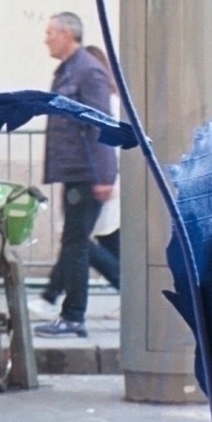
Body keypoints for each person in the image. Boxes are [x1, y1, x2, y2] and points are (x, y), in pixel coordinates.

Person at [34, 10, 119, 340]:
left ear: (67, 34)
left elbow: (100, 125)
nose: (46, 39)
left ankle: (73, 316)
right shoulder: (71, 70)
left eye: (50, 32)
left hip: (87, 173)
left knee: (77, 245)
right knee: (75, 243)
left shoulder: (88, 72)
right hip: (76, 172)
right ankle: (71, 315)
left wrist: (104, 176)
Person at [84, 42, 121, 290]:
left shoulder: (104, 101)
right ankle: (132, 292)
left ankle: (128, 286)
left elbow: (104, 144)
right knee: (108, 237)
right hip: (107, 176)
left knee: (77, 243)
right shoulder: (113, 100)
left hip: (104, 177)